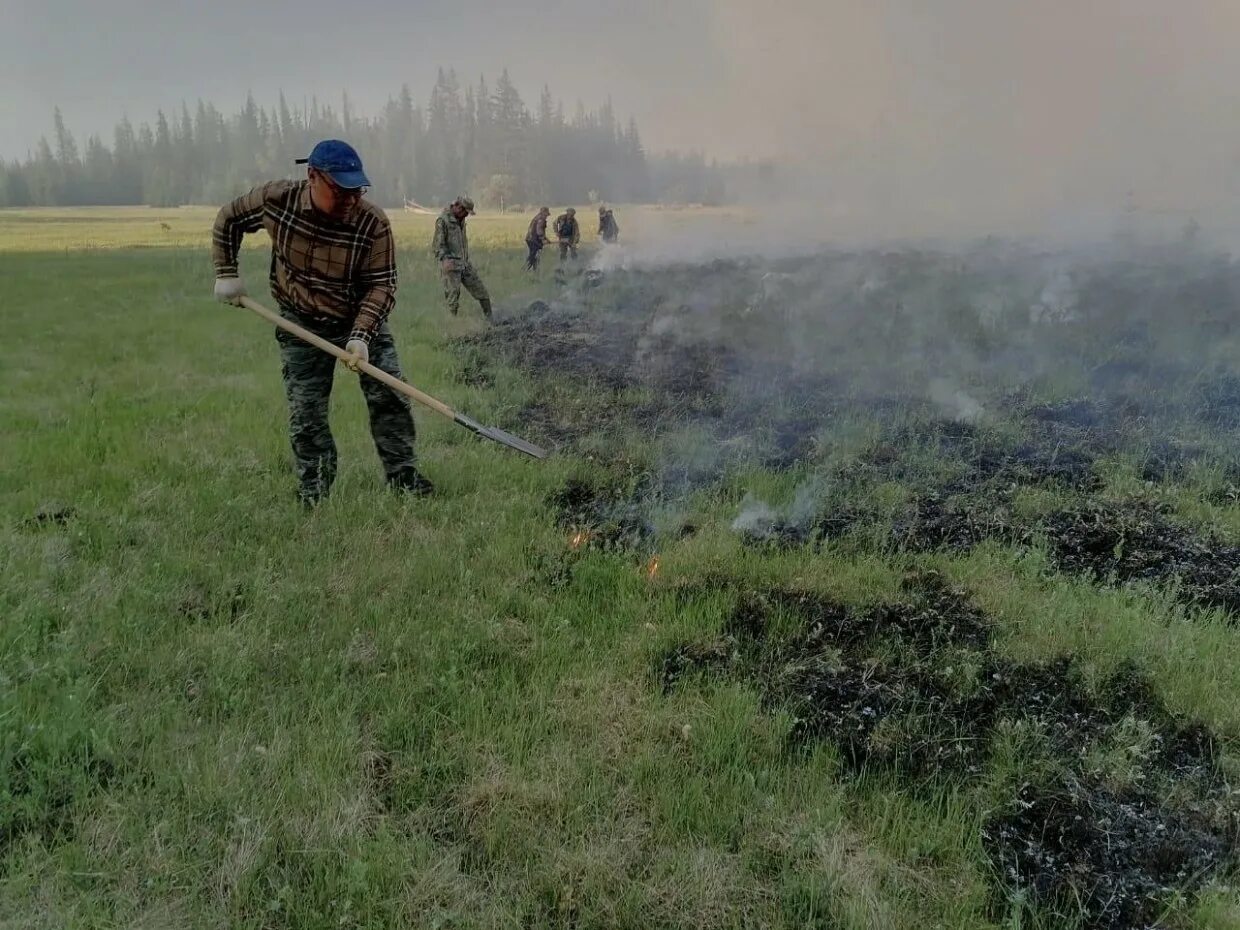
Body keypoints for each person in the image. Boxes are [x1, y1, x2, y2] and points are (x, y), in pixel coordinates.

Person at [211, 139, 432, 506]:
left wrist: (361, 337)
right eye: (341, 191)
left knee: (389, 395)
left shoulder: (371, 222)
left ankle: (403, 476)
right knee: (307, 411)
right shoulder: (276, 200)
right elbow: (228, 219)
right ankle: (314, 490)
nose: (351, 200)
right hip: (301, 322)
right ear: (313, 176)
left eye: (356, 190)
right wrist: (226, 273)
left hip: (360, 318)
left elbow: (381, 285)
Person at [432, 196, 492, 320]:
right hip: (451, 265)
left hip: (464, 264)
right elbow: (438, 245)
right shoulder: (443, 221)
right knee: (452, 299)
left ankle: (490, 320)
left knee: (482, 293)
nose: (466, 215)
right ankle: (452, 326)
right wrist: (445, 259)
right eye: (465, 212)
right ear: (458, 207)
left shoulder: (461, 219)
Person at [524, 206, 551, 271]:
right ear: (544, 213)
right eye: (546, 214)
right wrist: (544, 239)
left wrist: (546, 239)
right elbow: (539, 231)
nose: (547, 216)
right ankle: (526, 269)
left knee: (534, 255)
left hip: (530, 238)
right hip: (534, 240)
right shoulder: (541, 219)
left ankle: (534, 269)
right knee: (533, 255)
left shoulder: (537, 217)